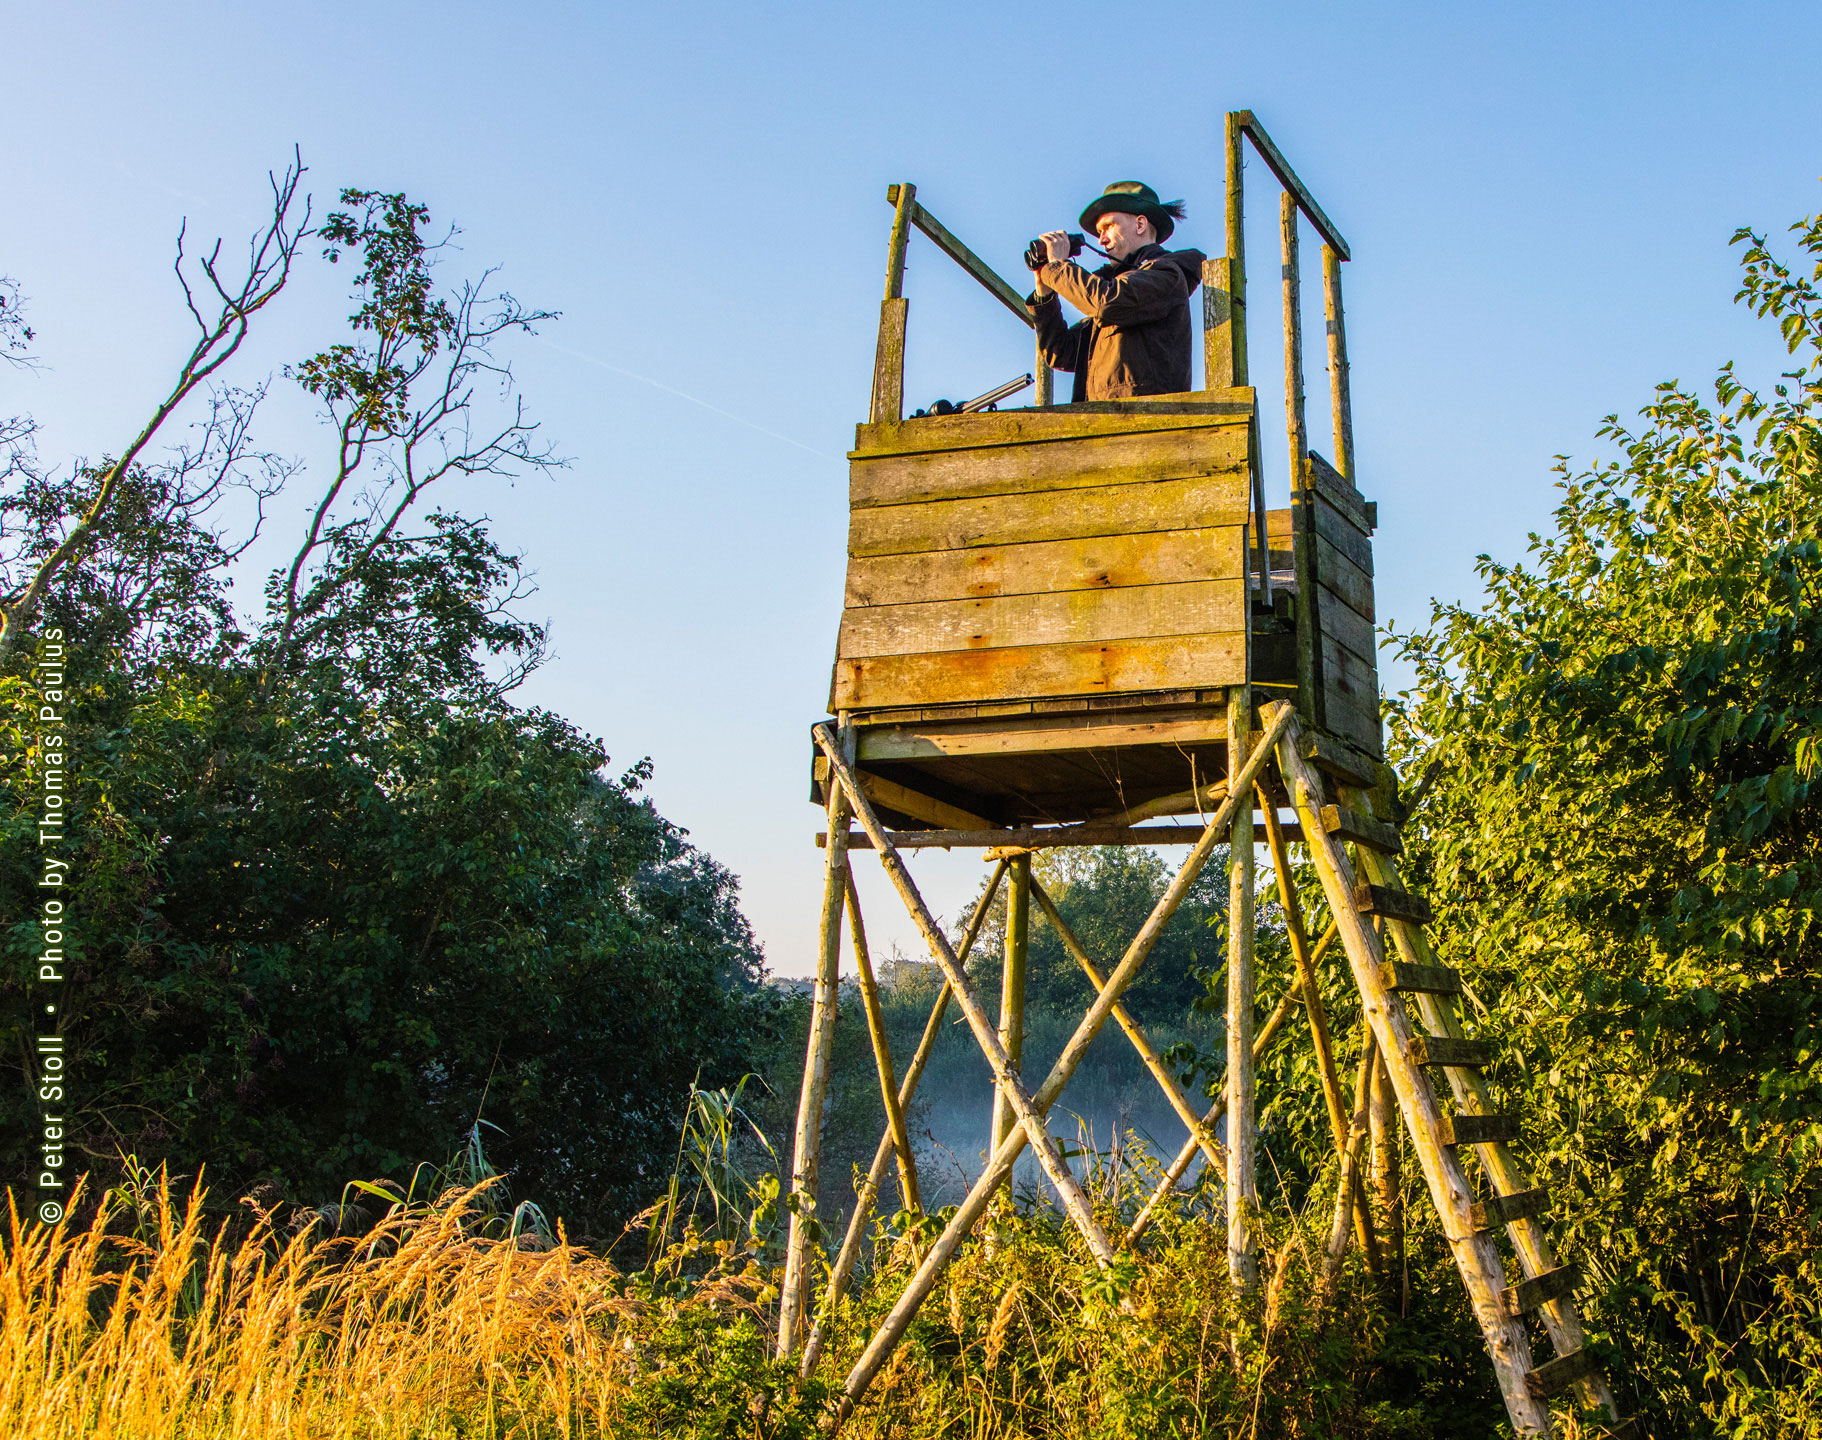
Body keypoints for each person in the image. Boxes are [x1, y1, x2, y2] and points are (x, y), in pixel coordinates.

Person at [1027, 181, 1205, 402]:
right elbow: (1062, 352)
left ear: (1140, 224)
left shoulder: (1166, 274)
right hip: (1104, 418)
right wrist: (1044, 293)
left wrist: (1058, 268)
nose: (1101, 239)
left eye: (1109, 226)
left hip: (1146, 418)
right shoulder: (1116, 290)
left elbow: (1107, 302)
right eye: (1099, 232)